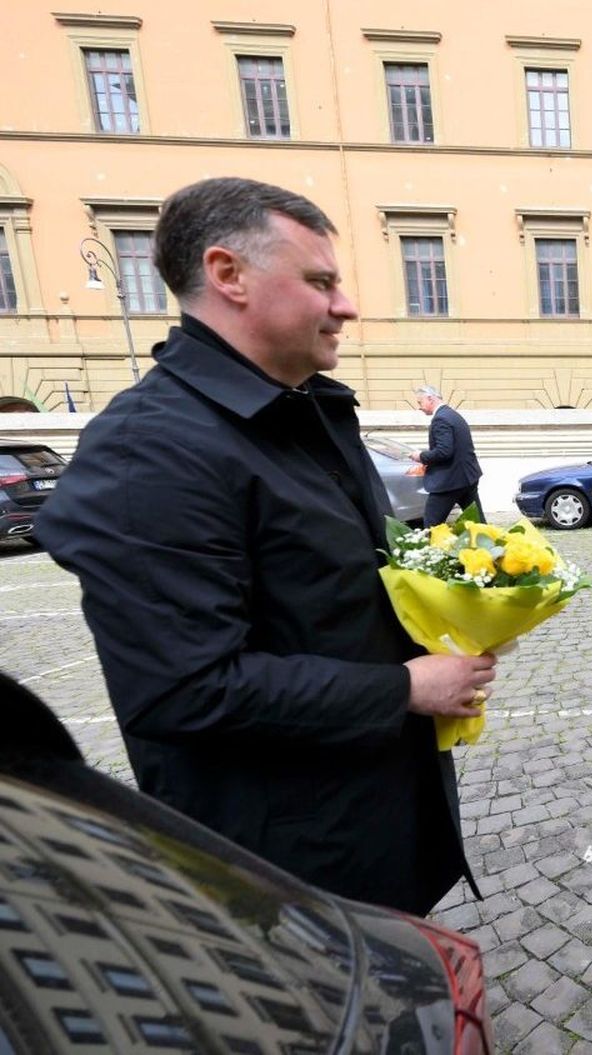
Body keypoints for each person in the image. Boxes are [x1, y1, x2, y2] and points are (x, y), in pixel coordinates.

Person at [34, 177, 494, 916]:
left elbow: (335, 596)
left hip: (369, 830)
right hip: (279, 877)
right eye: (321, 282)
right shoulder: (148, 450)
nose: (346, 306)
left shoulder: (305, 413)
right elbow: (186, 689)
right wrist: (406, 688)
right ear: (229, 275)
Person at [411, 385, 482, 527]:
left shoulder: (441, 419)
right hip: (467, 478)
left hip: (449, 481)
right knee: (478, 523)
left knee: (431, 525)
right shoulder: (452, 415)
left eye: (420, 402)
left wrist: (421, 456)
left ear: (430, 399)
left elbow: (444, 452)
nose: (419, 407)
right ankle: (489, 541)